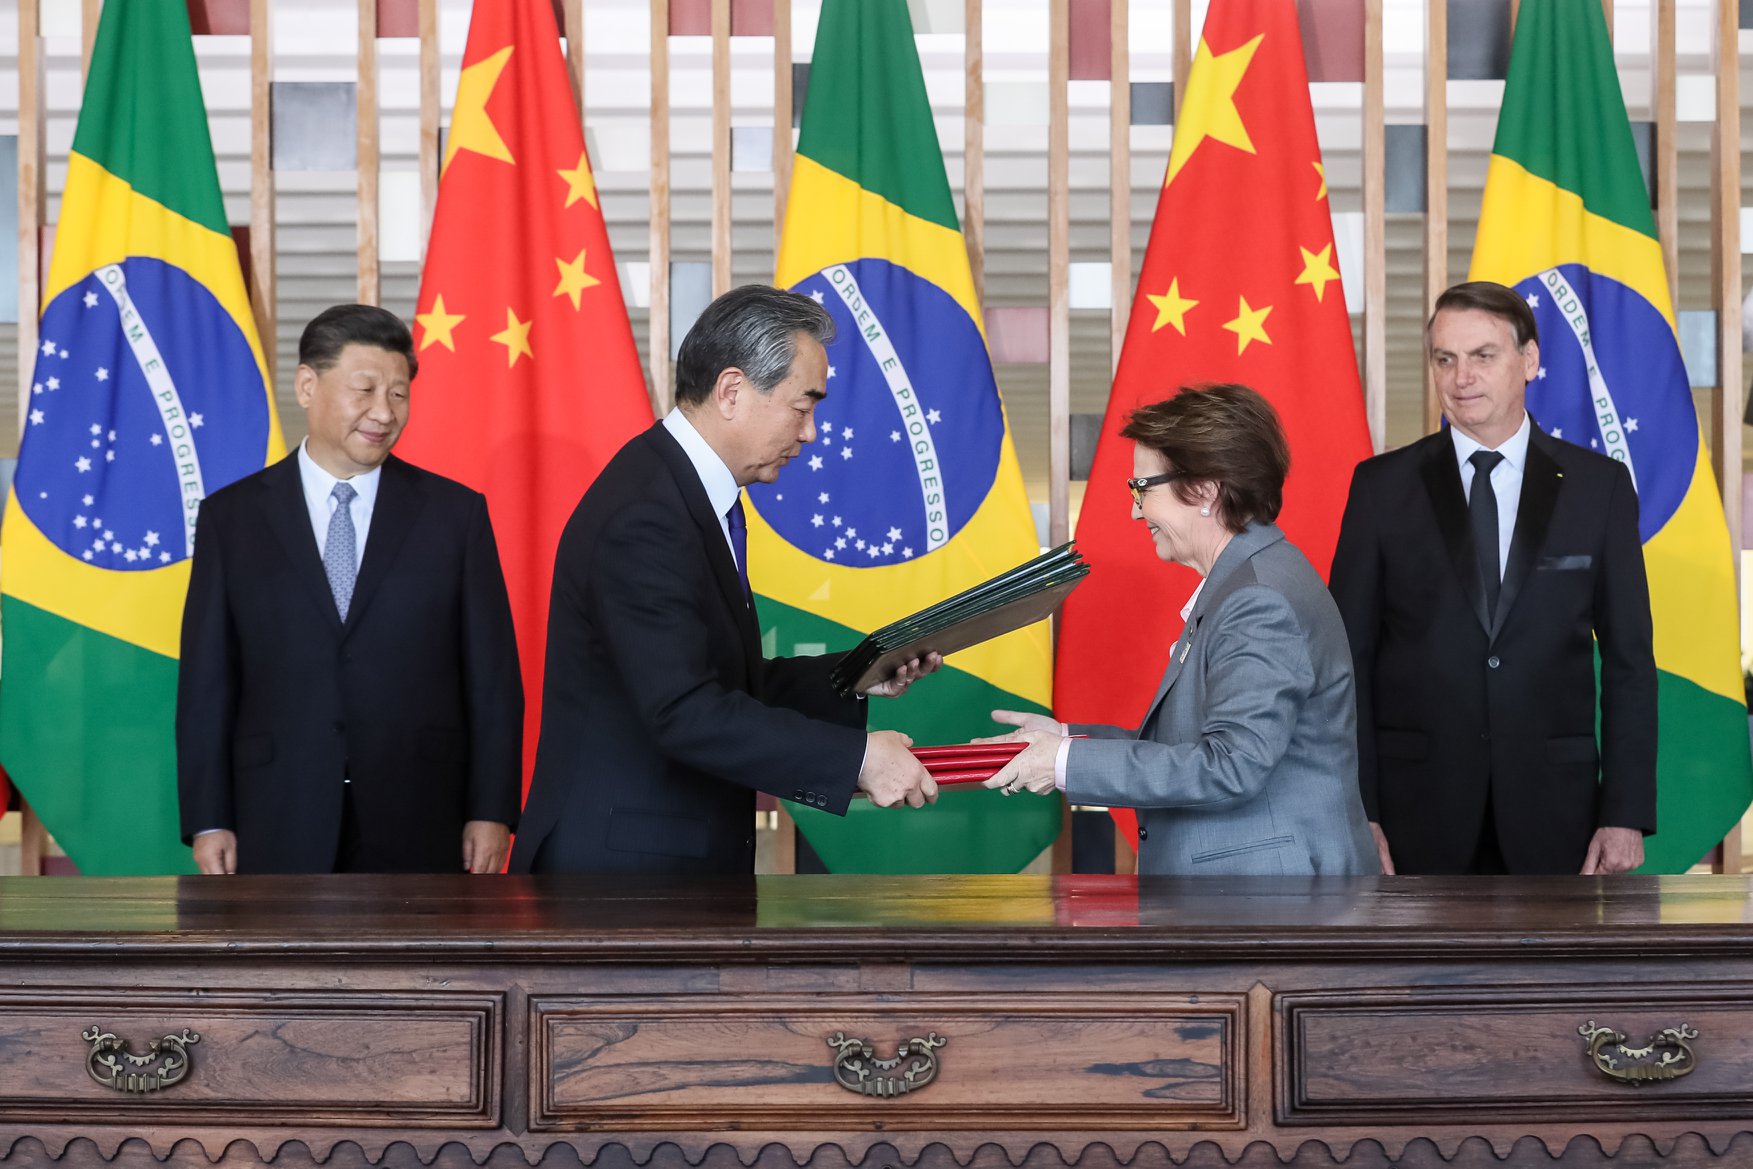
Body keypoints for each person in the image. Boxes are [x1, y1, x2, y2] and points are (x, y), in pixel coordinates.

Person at [510, 285, 939, 875]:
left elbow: (719, 681)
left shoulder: (679, 491)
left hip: (661, 862)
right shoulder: (646, 513)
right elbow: (684, 709)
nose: (811, 433)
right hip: (622, 879)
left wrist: (858, 673)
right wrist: (858, 759)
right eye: (803, 407)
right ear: (733, 391)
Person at [177, 305, 522, 874]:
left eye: (399, 394)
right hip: (275, 811)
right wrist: (209, 817)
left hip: (421, 814)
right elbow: (207, 681)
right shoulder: (232, 519)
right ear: (307, 386)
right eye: (364, 390)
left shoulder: (454, 516)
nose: (383, 412)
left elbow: (492, 679)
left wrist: (492, 810)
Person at [979, 384, 1378, 876]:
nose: (1135, 510)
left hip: (1272, 901)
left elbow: (1230, 764)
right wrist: (1063, 738)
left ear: (1205, 490)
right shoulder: (1251, 579)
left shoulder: (1257, 599)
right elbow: (1189, 744)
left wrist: (1062, 761)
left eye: (1142, 488)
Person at [1328, 280, 1656, 876]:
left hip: (1557, 817)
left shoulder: (1598, 489)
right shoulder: (1380, 488)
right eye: (1445, 359)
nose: (1462, 378)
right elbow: (1346, 663)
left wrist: (1624, 813)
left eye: (1483, 355)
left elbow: (1630, 662)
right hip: (1412, 817)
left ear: (1528, 360)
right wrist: (1359, 811)